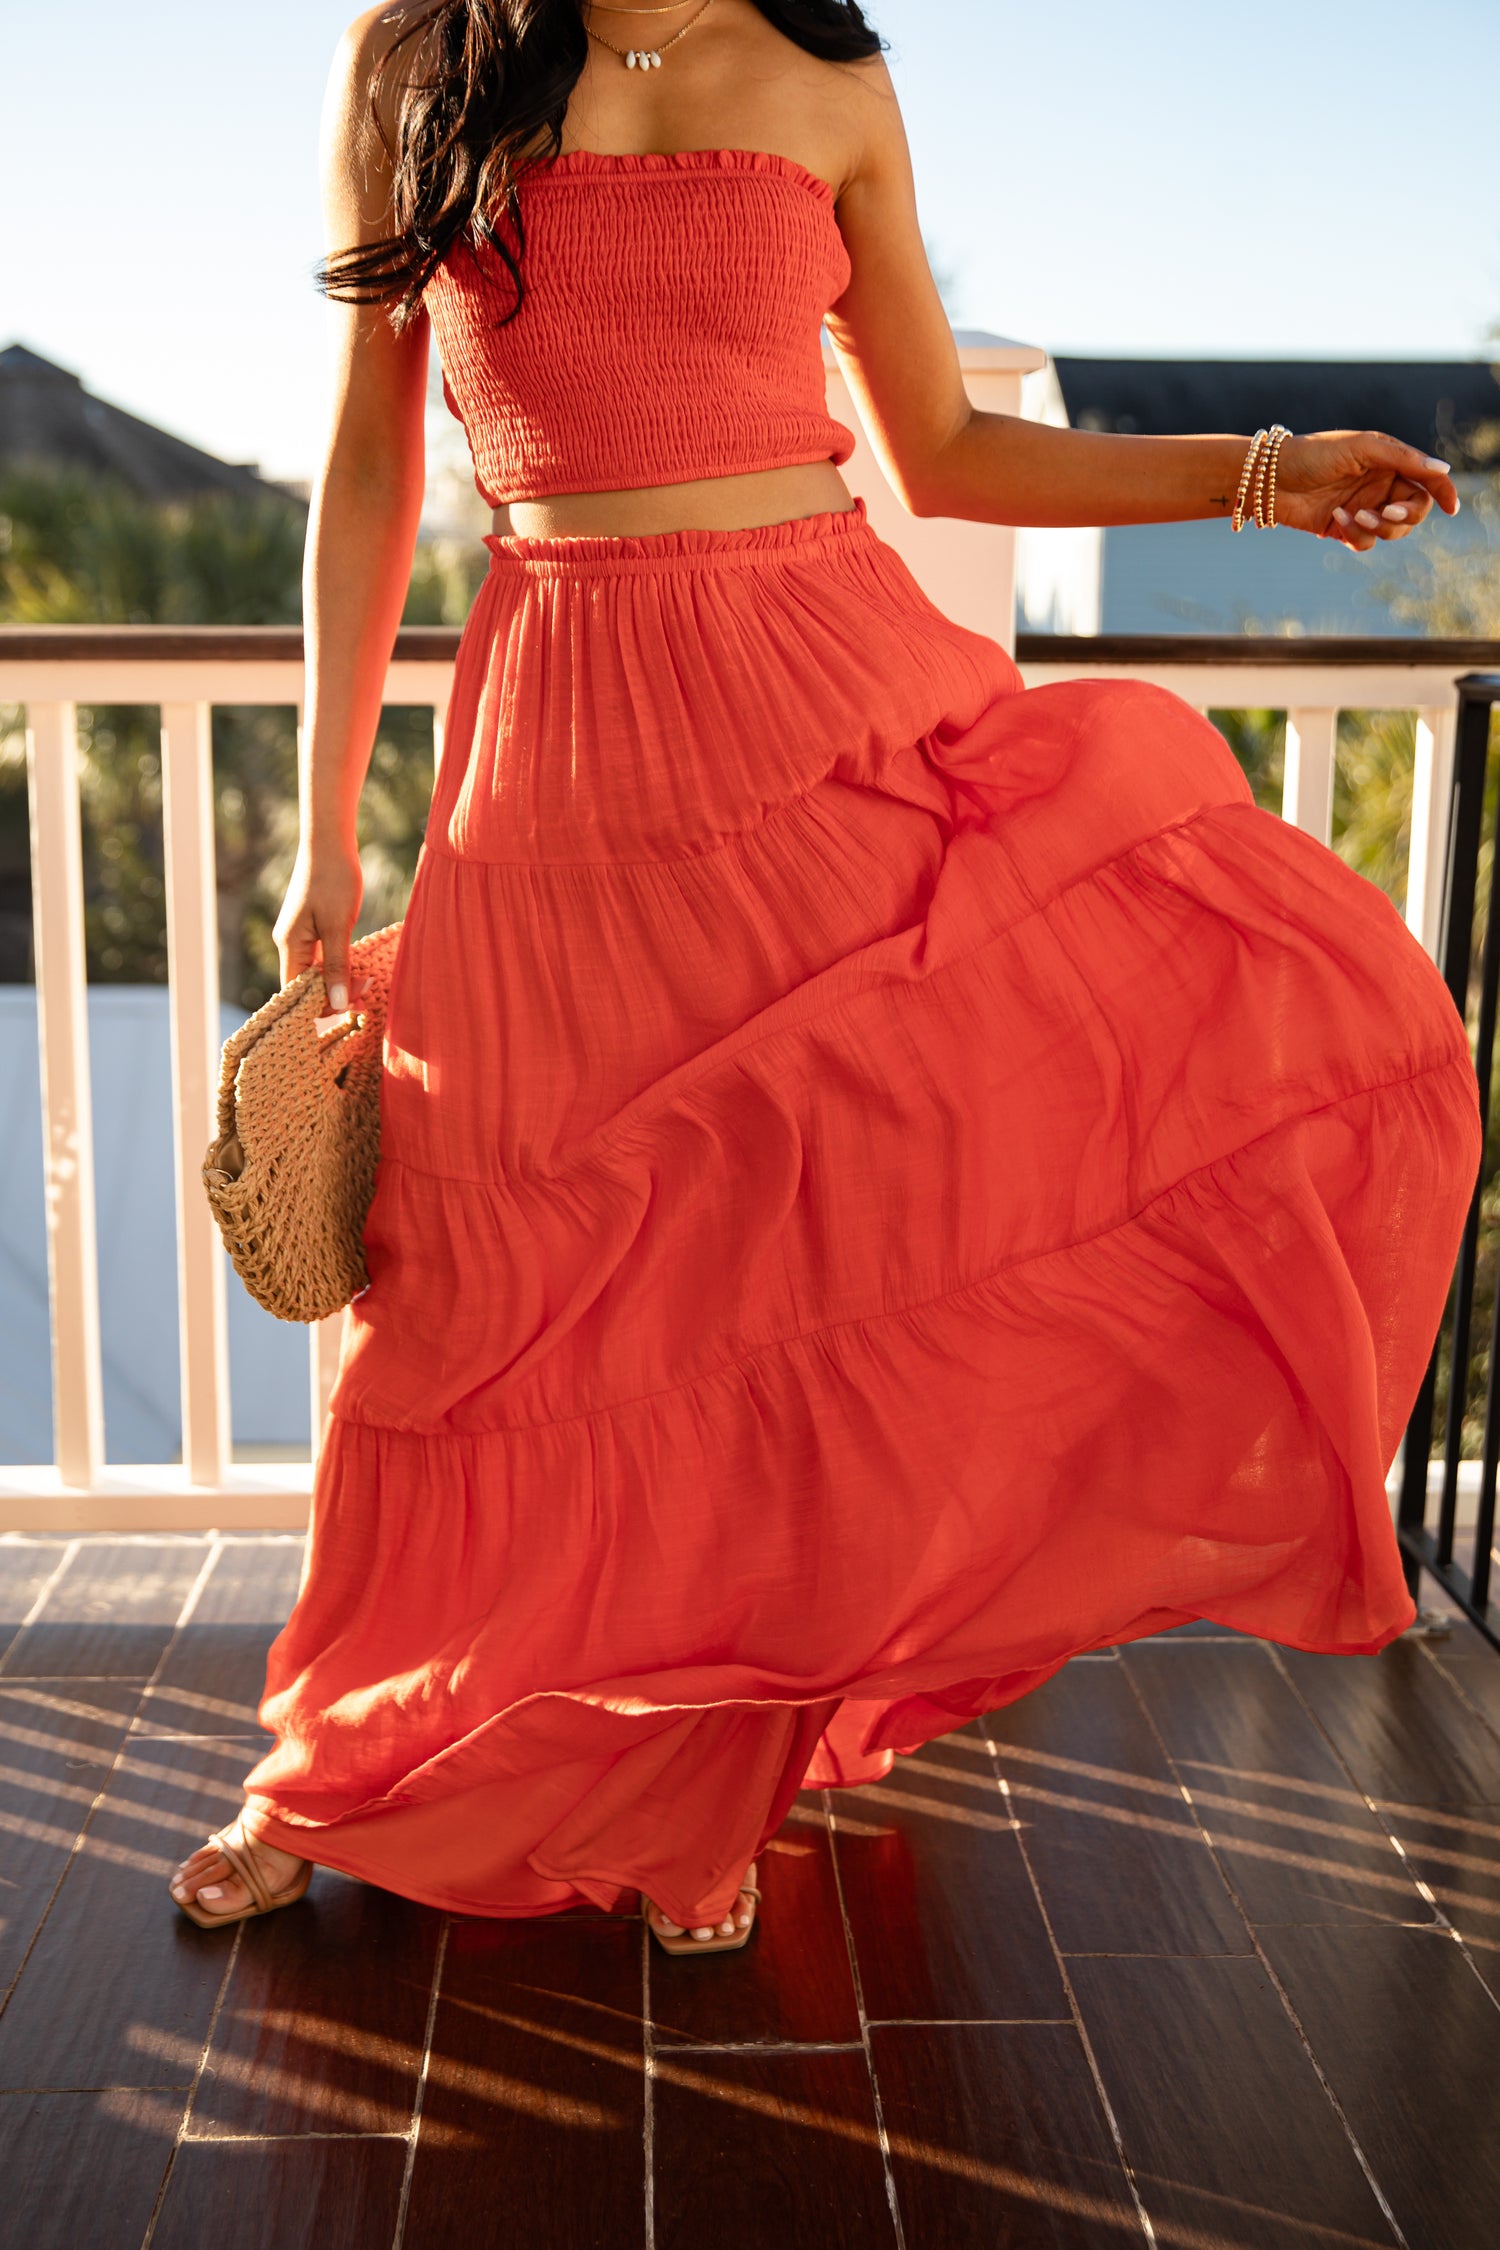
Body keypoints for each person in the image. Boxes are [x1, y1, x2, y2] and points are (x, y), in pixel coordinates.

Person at [170, 0, 1479, 1951]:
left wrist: (1256, 471)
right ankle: (341, 1768)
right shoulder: (419, 54)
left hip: (823, 714)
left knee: (776, 1263)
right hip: (559, 737)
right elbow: (370, 466)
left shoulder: (831, 83)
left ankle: (709, 1779)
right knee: (466, 1274)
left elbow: (940, 451)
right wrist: (317, 820)